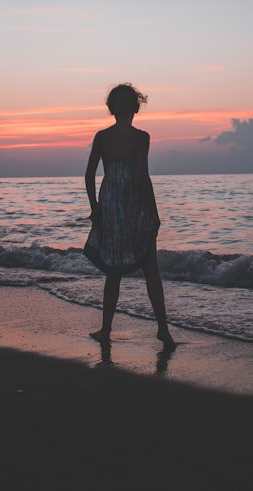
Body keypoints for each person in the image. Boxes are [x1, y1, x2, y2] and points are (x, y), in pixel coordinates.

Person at [84, 83, 175, 349]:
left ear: (111, 109)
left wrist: (95, 208)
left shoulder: (101, 137)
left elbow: (90, 175)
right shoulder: (141, 137)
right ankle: (163, 330)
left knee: (113, 270)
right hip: (134, 201)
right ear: (136, 107)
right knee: (151, 269)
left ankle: (105, 330)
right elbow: (141, 177)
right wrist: (154, 213)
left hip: (110, 202)